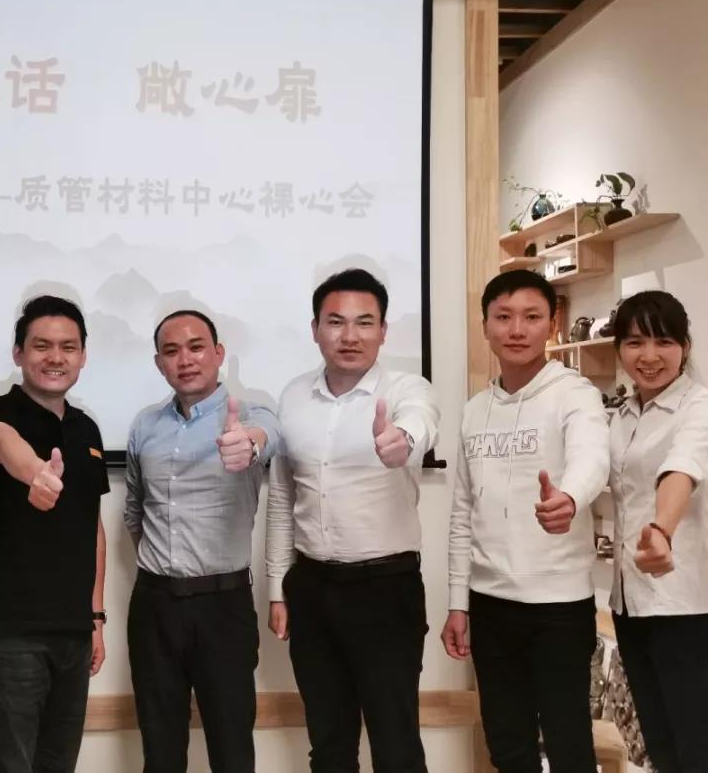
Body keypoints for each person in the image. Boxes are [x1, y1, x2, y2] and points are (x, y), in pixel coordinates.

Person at [266, 268, 439, 773]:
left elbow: (421, 421)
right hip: (311, 587)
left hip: (385, 588)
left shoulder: (407, 388)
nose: (350, 335)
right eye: (336, 321)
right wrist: (278, 588)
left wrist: (403, 441)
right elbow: (282, 497)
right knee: (328, 743)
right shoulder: (293, 396)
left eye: (365, 322)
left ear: (383, 330)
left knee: (396, 743)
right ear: (315, 329)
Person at [442, 269, 609, 773]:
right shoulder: (475, 410)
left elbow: (592, 456)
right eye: (504, 317)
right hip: (490, 604)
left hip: (558, 605)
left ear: (552, 325)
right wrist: (458, 602)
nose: (517, 329)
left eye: (532, 317)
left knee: (568, 745)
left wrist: (569, 498)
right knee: (507, 746)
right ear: (485, 326)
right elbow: (462, 513)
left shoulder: (574, 393)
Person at [124, 308, 281, 773]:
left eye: (196, 347)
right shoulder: (144, 426)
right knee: (160, 751)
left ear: (218, 353)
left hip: (223, 607)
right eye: (171, 351)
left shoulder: (251, 414)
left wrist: (248, 443)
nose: (185, 359)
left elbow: (267, 436)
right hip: (154, 607)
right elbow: (135, 511)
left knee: (232, 751)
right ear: (159, 363)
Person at [0, 295, 108, 773]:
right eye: (41, 345)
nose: (55, 357)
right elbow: (1, 442)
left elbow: (92, 526)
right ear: (18, 353)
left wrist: (96, 618)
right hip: (12, 636)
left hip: (75, 635)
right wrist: (35, 474)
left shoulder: (87, 429)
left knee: (58, 764)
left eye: (68, 347)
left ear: (83, 356)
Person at [606, 290, 708, 772]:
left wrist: (662, 530)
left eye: (663, 342)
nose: (649, 356)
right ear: (619, 350)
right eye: (635, 342)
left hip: (685, 604)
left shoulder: (698, 406)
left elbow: (681, 468)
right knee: (659, 741)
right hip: (630, 602)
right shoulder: (621, 415)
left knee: (696, 744)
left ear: (684, 347)